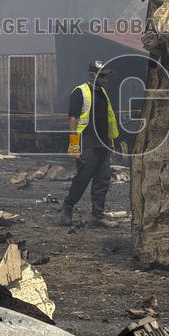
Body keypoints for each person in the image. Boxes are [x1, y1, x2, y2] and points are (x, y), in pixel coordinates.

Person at [60, 60, 120, 228]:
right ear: (92, 75)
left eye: (105, 76)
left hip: (102, 144)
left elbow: (108, 119)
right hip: (86, 142)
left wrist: (111, 141)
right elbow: (73, 117)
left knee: (103, 179)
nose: (105, 80)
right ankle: (67, 207)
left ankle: (97, 216)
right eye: (102, 76)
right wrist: (73, 144)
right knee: (83, 177)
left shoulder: (103, 93)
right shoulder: (80, 92)